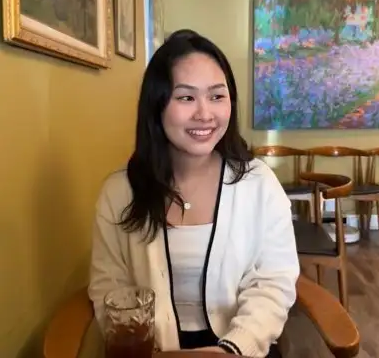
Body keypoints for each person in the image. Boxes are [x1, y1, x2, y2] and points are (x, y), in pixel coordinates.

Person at [88, 30, 300, 357]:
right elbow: (109, 285)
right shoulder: (119, 192)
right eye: (186, 98)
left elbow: (273, 282)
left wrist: (233, 349)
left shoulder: (259, 184)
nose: (204, 114)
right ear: (156, 106)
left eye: (217, 96)